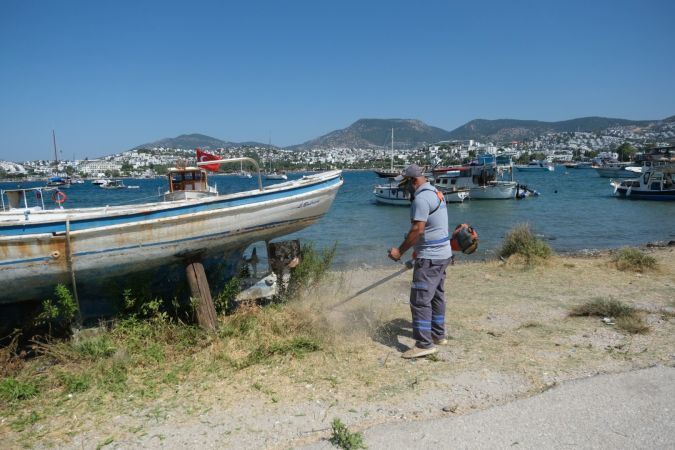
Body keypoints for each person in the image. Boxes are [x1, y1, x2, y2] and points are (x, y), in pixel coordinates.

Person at [388, 164, 453, 358]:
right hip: (442, 254)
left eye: (405, 183)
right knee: (436, 296)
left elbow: (418, 230)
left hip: (431, 258)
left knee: (420, 300)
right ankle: (437, 335)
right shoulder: (435, 192)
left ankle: (424, 345)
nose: (404, 187)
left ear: (413, 181)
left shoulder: (421, 198)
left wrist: (399, 251)